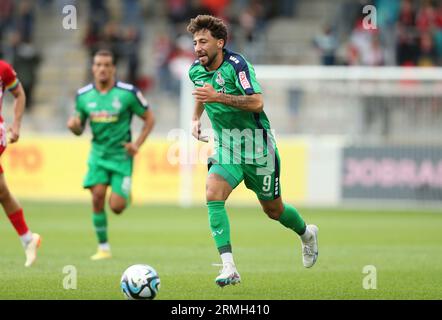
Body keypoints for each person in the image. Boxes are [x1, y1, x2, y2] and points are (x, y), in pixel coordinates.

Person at [186, 15, 319, 287]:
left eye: (203, 41)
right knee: (212, 192)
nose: (197, 47)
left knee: (273, 209)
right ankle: (229, 267)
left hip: (259, 149)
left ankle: (306, 234)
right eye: (195, 42)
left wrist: (218, 97)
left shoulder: (238, 66)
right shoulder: (195, 70)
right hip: (227, 147)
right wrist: (195, 118)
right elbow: (203, 93)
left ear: (220, 43)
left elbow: (257, 103)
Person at [67, 50, 155, 260]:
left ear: (113, 68)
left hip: (121, 156)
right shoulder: (83, 95)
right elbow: (79, 128)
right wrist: (74, 127)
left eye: (107, 65)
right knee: (97, 197)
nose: (102, 69)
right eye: (98, 65)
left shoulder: (128, 93)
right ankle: (103, 248)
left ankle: (124, 193)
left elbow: (150, 119)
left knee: (116, 207)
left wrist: (137, 145)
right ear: (93, 68)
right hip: (98, 154)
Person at [0, 59, 41, 267]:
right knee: (2, 192)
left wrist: (16, 125)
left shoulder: (3, 69)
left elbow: (19, 94)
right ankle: (28, 239)